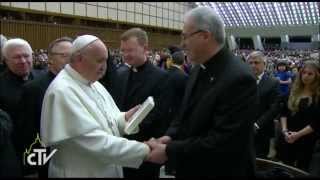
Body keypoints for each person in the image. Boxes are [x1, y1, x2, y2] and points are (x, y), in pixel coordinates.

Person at [145, 6, 258, 177]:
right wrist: (169, 136)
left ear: (205, 35)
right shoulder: (198, 67)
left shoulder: (239, 78)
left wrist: (170, 150)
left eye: (185, 36)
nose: (182, 44)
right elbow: (185, 114)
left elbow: (223, 140)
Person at [40, 35, 151, 177]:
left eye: (106, 60)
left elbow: (108, 121)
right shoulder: (62, 91)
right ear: (79, 59)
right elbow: (93, 141)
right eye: (99, 61)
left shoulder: (94, 83)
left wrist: (124, 118)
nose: (104, 67)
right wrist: (145, 150)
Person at [109, 28, 172, 178]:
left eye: (130, 50)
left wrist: (128, 130)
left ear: (145, 48)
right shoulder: (121, 74)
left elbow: (159, 113)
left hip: (145, 147)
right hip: (122, 147)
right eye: (123, 50)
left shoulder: (161, 77)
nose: (125, 55)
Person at [19, 37, 73, 177]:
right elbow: (31, 130)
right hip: (49, 156)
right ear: (50, 58)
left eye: (72, 55)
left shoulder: (82, 83)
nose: (69, 60)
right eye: (64, 56)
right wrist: (35, 166)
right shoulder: (34, 88)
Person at [0, 38, 44, 176]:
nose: (23, 61)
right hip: (17, 153)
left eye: (26, 56)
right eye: (17, 57)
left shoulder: (43, 77)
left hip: (44, 147)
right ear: (5, 60)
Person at [277, 60, 320, 171]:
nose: (306, 76)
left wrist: (297, 135)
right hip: (287, 135)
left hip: (306, 138)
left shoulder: (318, 95)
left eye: (310, 74)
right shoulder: (293, 90)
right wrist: (285, 130)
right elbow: (283, 112)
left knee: (301, 169)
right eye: (304, 72)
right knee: (285, 167)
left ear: (317, 76)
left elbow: (316, 123)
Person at [247, 51, 281, 159]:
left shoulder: (273, 82)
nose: (253, 65)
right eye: (250, 62)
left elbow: (274, 108)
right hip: (243, 127)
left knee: (259, 160)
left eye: (256, 62)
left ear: (264, 64)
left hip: (262, 129)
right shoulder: (242, 80)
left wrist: (257, 125)